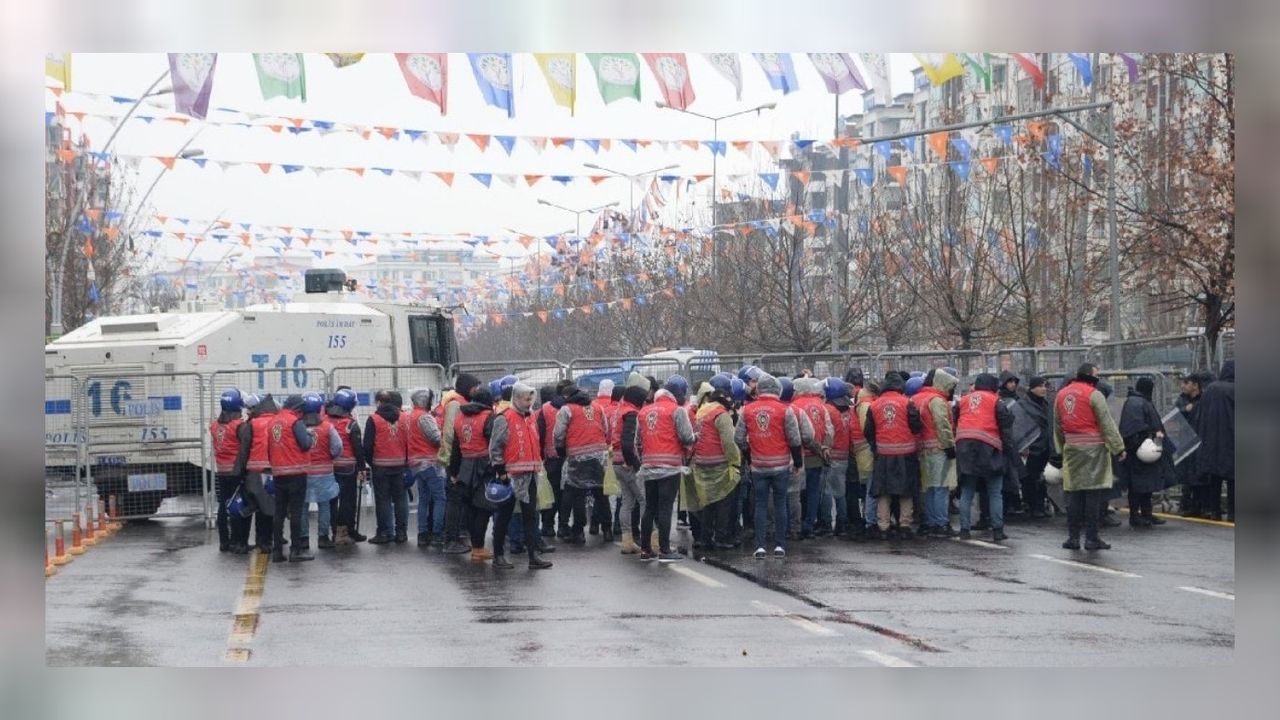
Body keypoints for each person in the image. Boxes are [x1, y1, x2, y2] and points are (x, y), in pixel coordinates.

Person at [1054, 363, 1127, 551]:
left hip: (1072, 448)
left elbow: (1058, 425)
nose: (1098, 378)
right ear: (1088, 375)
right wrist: (1118, 448)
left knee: (1074, 493)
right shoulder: (1094, 394)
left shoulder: (1061, 395)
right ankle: (1092, 538)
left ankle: (1073, 538)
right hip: (1094, 449)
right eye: (1096, 374)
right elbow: (1106, 423)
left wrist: (1062, 447)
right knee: (1093, 494)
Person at [735, 373, 804, 558]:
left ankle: (760, 546)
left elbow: (738, 438)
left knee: (760, 504)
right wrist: (797, 462)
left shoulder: (747, 410)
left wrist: (749, 456)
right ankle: (780, 546)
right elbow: (794, 439)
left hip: (758, 465)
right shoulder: (785, 410)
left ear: (759, 389)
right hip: (781, 465)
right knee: (781, 503)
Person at [488, 383, 554, 570]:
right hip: (510, 475)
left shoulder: (531, 416)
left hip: (531, 473)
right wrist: (501, 472)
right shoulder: (504, 418)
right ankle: (498, 555)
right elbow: (495, 447)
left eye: (531, 399)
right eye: (526, 399)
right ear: (516, 398)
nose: (529, 402)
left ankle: (533, 555)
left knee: (530, 515)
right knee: (504, 516)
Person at [636, 375, 696, 562]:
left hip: (648, 466)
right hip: (669, 466)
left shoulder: (643, 412)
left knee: (650, 507)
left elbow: (638, 441)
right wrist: (696, 436)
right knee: (665, 508)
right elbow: (686, 437)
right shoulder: (677, 410)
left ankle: (645, 549)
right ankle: (665, 550)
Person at [954, 373, 1015, 542]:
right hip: (989, 447)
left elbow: (955, 420)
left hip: (965, 447)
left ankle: (964, 530)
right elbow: (1006, 427)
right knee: (995, 491)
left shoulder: (963, 400)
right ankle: (997, 530)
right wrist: (1008, 449)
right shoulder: (996, 401)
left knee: (967, 490)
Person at [864, 372, 924, 541]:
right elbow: (916, 426)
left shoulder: (874, 405)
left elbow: (868, 431)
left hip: (883, 454)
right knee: (906, 491)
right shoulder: (907, 403)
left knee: (883, 492)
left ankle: (883, 526)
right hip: (906, 453)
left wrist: (876, 446)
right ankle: (904, 525)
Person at [553, 383, 610, 544]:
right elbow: (605, 429)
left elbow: (558, 434)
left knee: (578, 494)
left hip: (577, 455)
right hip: (599, 454)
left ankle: (578, 531)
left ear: (566, 396)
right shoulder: (597, 407)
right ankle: (607, 529)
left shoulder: (567, 409)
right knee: (601, 493)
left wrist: (561, 451)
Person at [691, 375, 742, 551]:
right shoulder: (721, 414)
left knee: (708, 501)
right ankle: (721, 537)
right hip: (719, 462)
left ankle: (706, 537)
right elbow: (728, 441)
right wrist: (735, 461)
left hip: (701, 462)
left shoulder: (701, 412)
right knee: (724, 500)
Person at [1115, 377, 1175, 528]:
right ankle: (1136, 515)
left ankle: (1145, 513)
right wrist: (1150, 436)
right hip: (1140, 450)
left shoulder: (1136, 401)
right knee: (1138, 486)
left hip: (1143, 448)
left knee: (1145, 484)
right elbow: (1134, 428)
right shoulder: (1138, 402)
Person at [448, 386, 498, 562]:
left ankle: (476, 546)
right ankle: (478, 547)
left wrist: (454, 471)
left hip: (465, 466)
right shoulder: (489, 417)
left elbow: (455, 448)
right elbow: (494, 444)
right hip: (484, 466)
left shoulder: (460, 417)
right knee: (484, 508)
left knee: (470, 508)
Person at [267, 394, 317, 563]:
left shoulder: (273, 421)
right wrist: (310, 436)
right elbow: (305, 444)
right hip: (296, 472)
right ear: (297, 409)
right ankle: (296, 550)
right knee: (296, 512)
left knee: (279, 512)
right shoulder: (295, 422)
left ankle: (277, 551)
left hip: (278, 473)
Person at [440, 373, 483, 552]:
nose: (476, 390)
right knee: (454, 500)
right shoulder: (456, 404)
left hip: (460, 459)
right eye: (474, 387)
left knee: (459, 500)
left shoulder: (461, 403)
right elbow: (451, 433)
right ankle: (451, 540)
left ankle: (456, 536)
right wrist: (452, 466)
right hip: (455, 460)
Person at [913, 369, 958, 538]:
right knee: (941, 487)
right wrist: (949, 446)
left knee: (929, 488)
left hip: (921, 448)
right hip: (938, 448)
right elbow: (942, 424)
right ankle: (941, 523)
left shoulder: (916, 398)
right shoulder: (937, 400)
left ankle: (931, 522)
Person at [362, 390, 410, 545]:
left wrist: (372, 462)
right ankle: (401, 532)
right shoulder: (403, 418)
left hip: (380, 465)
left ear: (378, 402)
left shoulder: (374, 419)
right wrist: (406, 461)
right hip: (400, 464)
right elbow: (409, 441)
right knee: (400, 499)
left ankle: (384, 532)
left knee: (383, 500)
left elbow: (367, 445)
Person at [233, 393, 278, 554]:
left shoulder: (251, 424)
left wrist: (238, 472)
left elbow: (244, 450)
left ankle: (241, 543)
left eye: (250, 409)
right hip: (273, 470)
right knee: (268, 507)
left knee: (250, 506)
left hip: (254, 471)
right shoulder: (276, 421)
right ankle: (265, 542)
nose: (247, 412)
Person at [791, 378, 833, 540]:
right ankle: (810, 524)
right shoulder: (821, 405)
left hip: (801, 455)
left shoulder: (794, 406)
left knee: (799, 492)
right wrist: (825, 448)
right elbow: (829, 429)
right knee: (814, 491)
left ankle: (799, 523)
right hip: (818, 455)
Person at [1195, 361, 1235, 522]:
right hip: (1231, 441)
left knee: (1214, 478)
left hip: (1211, 440)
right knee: (1233, 479)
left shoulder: (1211, 389)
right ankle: (1232, 513)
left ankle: (1214, 511)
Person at [325, 388, 365, 545]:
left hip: (329, 466)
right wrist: (362, 468)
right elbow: (358, 448)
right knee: (348, 501)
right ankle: (347, 530)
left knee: (332, 501)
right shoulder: (351, 424)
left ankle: (334, 531)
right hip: (348, 468)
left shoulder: (325, 421)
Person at [406, 388, 446, 547]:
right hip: (430, 462)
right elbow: (436, 439)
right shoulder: (425, 417)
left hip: (416, 464)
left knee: (423, 499)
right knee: (440, 498)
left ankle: (422, 534)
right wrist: (444, 435)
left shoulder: (411, 416)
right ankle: (437, 533)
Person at [211, 389, 248, 553]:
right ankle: (236, 541)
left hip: (221, 470)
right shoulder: (239, 426)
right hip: (236, 471)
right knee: (237, 506)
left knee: (223, 506)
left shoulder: (215, 425)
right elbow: (245, 447)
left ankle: (224, 542)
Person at [537, 381, 572, 539]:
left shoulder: (544, 410)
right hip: (569, 457)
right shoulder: (572, 407)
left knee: (551, 493)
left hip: (551, 458)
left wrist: (540, 458)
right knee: (567, 494)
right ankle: (564, 526)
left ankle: (548, 525)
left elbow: (540, 436)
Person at [1018, 377, 1054, 519]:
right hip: (1032, 446)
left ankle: (1040, 504)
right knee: (1031, 478)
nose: (1043, 389)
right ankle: (1033, 505)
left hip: (1045, 445)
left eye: (1045, 386)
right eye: (1040, 386)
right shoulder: (1023, 405)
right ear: (1032, 388)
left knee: (1040, 477)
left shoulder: (1046, 404)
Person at [1176, 371, 1211, 517]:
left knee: (1201, 475)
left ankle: (1202, 505)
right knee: (1188, 476)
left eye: (1186, 383)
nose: (1183, 386)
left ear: (1195, 385)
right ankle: (1189, 505)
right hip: (1187, 443)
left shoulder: (1205, 400)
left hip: (1202, 442)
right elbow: (1176, 414)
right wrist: (1185, 409)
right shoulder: (1182, 400)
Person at [848, 375, 878, 541]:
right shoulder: (866, 405)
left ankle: (868, 518)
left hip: (861, 450)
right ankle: (870, 521)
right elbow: (867, 429)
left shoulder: (860, 404)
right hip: (867, 450)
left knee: (868, 487)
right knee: (871, 488)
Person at [821, 377, 852, 537]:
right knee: (841, 491)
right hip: (844, 454)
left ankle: (826, 523)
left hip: (831, 454)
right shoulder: (847, 409)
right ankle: (842, 524)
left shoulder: (828, 409)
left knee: (827, 491)